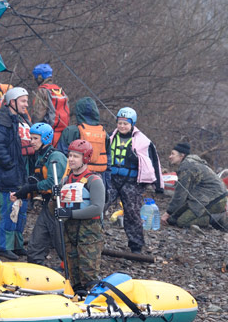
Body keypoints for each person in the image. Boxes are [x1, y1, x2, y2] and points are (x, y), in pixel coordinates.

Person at [106, 107, 163, 253]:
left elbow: (154, 162)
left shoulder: (143, 141)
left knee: (132, 213)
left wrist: (158, 186)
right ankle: (91, 239)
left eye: (125, 123)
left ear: (132, 124)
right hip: (112, 179)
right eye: (120, 123)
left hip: (132, 182)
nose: (122, 126)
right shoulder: (110, 137)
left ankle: (136, 245)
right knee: (101, 204)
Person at [54, 139, 106, 296]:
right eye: (70, 155)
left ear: (85, 158)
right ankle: (76, 294)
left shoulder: (94, 180)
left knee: (88, 269)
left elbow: (97, 208)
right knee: (72, 268)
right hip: (70, 231)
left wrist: (70, 214)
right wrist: (54, 196)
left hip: (89, 231)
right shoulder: (65, 181)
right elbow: (55, 210)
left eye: (76, 156)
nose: (71, 159)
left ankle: (93, 297)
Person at [12, 123, 68, 267]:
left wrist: (29, 188)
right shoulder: (40, 156)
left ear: (45, 139)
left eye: (35, 138)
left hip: (58, 206)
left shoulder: (56, 157)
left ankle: (75, 274)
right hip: (47, 205)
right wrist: (21, 194)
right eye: (31, 138)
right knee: (35, 245)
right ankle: (36, 268)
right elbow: (39, 183)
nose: (32, 141)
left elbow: (52, 182)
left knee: (61, 244)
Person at [0, 87, 31, 260]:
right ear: (12, 102)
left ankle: (17, 244)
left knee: (22, 210)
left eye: (26, 101)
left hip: (22, 172)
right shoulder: (1, 120)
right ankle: (4, 246)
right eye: (23, 101)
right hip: (8, 173)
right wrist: (10, 165)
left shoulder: (22, 118)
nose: (26, 105)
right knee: (8, 209)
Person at [161, 143, 228, 230]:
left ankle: (215, 218)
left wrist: (167, 213)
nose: (170, 156)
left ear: (182, 155)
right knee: (173, 219)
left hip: (215, 200)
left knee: (182, 222)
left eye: (173, 154)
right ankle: (218, 218)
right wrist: (172, 214)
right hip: (208, 197)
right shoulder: (190, 163)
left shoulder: (187, 167)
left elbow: (180, 194)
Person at [30, 64, 70, 147]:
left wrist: (33, 128)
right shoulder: (60, 91)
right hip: (62, 134)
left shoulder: (43, 91)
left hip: (47, 133)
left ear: (40, 77)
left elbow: (38, 114)